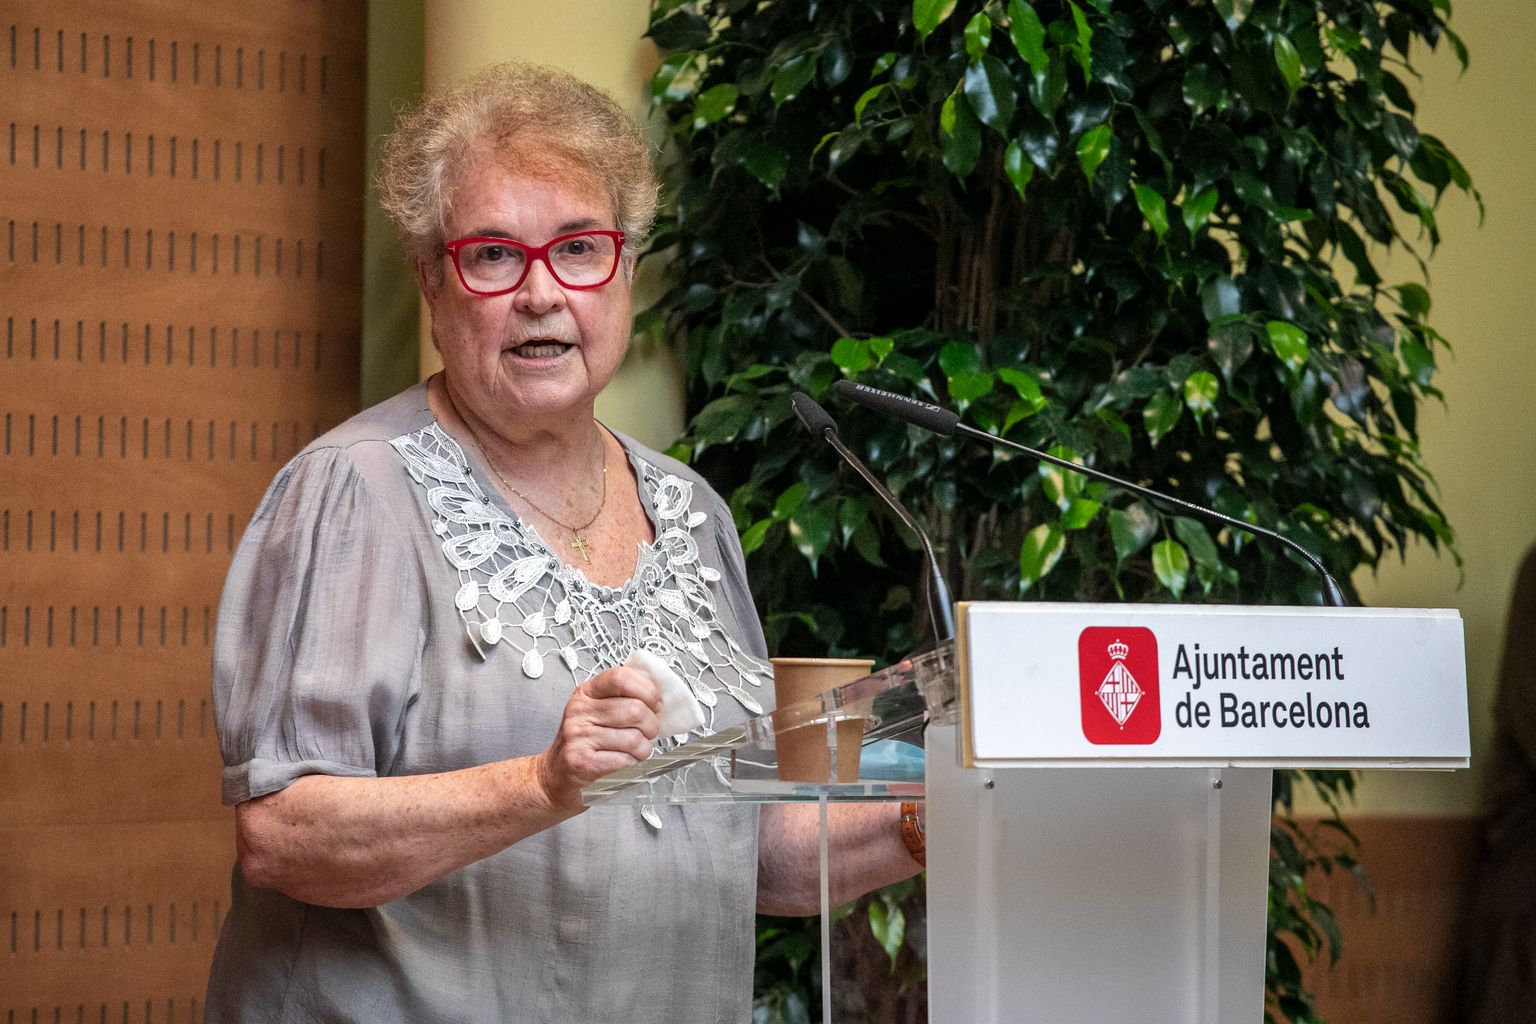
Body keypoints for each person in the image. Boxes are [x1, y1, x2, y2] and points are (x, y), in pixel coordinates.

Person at [204, 62, 924, 1021]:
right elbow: (284, 835)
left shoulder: (694, 513)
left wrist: (930, 811)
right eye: (494, 255)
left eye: (578, 248)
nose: (542, 294)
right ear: (431, 280)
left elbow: (750, 854)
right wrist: (543, 782)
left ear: (624, 271)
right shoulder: (356, 494)